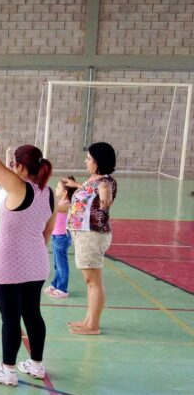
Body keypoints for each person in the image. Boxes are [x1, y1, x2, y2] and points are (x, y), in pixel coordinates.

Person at [0, 109, 56, 387]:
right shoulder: (48, 192)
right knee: (33, 313)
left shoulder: (17, 186)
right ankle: (37, 365)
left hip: (9, 263)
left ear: (18, 166)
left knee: (10, 318)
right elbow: (48, 231)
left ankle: (8, 370)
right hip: (37, 263)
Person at [63, 142, 118, 335]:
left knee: (93, 281)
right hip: (83, 234)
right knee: (90, 282)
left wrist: (104, 193)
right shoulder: (93, 179)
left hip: (92, 235)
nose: (85, 162)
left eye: (89, 159)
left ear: (98, 162)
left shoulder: (105, 181)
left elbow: (104, 188)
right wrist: (75, 185)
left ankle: (92, 325)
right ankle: (88, 319)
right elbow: (90, 188)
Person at [44, 177, 77, 299]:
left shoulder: (66, 205)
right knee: (57, 263)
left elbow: (53, 207)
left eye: (58, 188)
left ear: (65, 192)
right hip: (56, 236)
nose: (56, 189)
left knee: (61, 264)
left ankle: (62, 288)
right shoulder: (61, 203)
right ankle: (55, 284)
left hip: (62, 237)